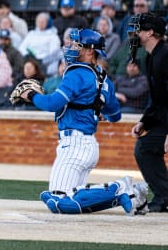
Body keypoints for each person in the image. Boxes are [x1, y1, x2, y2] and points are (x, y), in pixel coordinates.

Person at [17, 28, 147, 215]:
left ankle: (120, 187)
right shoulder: (104, 78)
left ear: (89, 50)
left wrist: (30, 95)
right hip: (88, 146)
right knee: (64, 200)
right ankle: (126, 196)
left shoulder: (76, 73)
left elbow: (52, 103)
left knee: (59, 202)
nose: (71, 47)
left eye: (76, 44)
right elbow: (115, 115)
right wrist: (96, 111)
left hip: (74, 145)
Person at [128, 13, 168, 213]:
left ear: (150, 32)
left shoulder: (166, 55)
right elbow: (157, 99)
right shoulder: (151, 58)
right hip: (162, 116)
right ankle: (164, 196)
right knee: (145, 148)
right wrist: (144, 122)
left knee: (145, 148)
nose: (136, 34)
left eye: (140, 29)